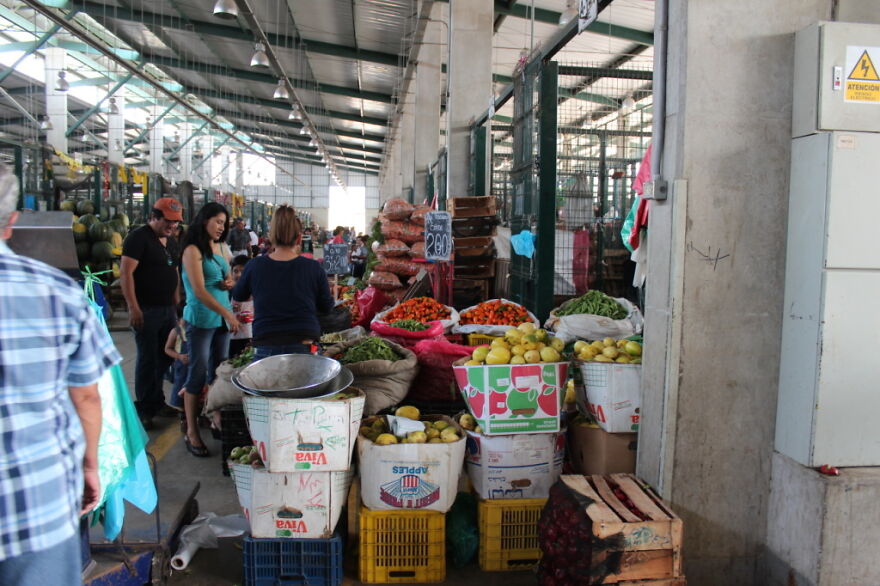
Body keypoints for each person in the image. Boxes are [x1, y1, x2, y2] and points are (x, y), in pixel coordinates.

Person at [0, 165, 120, 583]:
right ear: (12, 222)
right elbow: (86, 396)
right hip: (35, 502)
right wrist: (90, 465)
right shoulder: (57, 292)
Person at [232, 205, 334, 360]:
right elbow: (327, 307)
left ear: (271, 237)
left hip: (266, 344)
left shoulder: (254, 266)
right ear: (299, 238)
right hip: (304, 343)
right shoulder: (313, 267)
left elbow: (239, 295)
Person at [180, 202, 240, 457]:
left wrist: (229, 282)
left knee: (219, 371)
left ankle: (215, 417)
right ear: (204, 220)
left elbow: (226, 277)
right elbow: (199, 290)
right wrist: (227, 313)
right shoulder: (192, 250)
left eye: (224, 223)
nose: (221, 227)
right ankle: (191, 431)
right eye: (217, 221)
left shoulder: (219, 247)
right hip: (203, 319)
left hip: (221, 321)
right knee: (197, 373)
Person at [120, 197, 183, 430]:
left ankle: (157, 401)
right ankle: (145, 408)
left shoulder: (171, 241)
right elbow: (126, 273)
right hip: (145, 309)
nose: (172, 226)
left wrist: (176, 301)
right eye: (168, 221)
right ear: (154, 217)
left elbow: (174, 270)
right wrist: (133, 307)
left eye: (176, 222)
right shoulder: (138, 238)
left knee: (164, 356)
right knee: (147, 358)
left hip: (167, 309)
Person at [229, 254, 254, 357]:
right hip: (232, 338)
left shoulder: (255, 291)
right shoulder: (228, 292)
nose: (239, 275)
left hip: (251, 337)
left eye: (243, 272)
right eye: (235, 271)